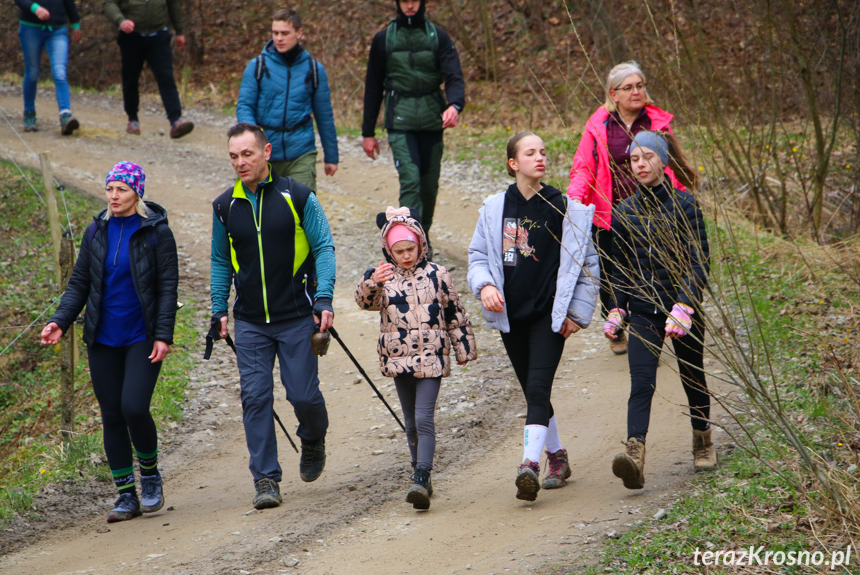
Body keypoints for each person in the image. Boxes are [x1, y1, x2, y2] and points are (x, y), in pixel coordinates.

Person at [41, 162, 178, 523]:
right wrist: (60, 320)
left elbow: (167, 288)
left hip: (141, 336)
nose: (113, 196)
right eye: (110, 189)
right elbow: (79, 283)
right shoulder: (96, 232)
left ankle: (149, 474)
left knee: (134, 406)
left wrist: (164, 334)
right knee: (112, 415)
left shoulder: (156, 233)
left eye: (121, 189)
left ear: (137, 193)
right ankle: (126, 495)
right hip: (102, 337)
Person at [210, 123, 336, 510]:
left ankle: (313, 436)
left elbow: (324, 247)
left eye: (246, 154)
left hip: (297, 314)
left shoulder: (297, 196)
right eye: (233, 156)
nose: (240, 162)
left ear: (266, 152)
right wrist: (218, 308)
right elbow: (219, 261)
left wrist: (324, 298)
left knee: (302, 395)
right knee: (255, 397)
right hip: (249, 321)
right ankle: (265, 478)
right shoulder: (224, 206)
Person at [468, 132, 599, 502]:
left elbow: (589, 263)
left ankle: (529, 465)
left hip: (549, 316)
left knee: (538, 389)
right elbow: (478, 257)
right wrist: (485, 287)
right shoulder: (496, 208)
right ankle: (557, 457)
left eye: (543, 152)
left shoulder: (564, 207)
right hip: (511, 314)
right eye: (531, 153)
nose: (540, 157)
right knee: (533, 392)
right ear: (513, 163)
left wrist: (577, 312)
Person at [603, 130, 714, 490]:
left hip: (683, 308)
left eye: (647, 157)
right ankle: (634, 454)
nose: (640, 164)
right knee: (641, 381)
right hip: (645, 310)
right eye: (634, 159)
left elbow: (699, 260)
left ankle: (702, 439)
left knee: (692, 375)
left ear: (663, 161)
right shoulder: (624, 212)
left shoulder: (686, 206)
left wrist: (685, 303)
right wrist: (618, 308)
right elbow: (619, 267)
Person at [355, 206, 477, 510]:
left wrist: (463, 348)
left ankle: (422, 476)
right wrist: (373, 283)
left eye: (410, 248)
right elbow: (364, 303)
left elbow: (455, 314)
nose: (406, 255)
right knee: (410, 422)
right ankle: (418, 475)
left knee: (424, 418)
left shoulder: (437, 274)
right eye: (399, 251)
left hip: (432, 357)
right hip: (399, 359)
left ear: (421, 244)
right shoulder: (383, 277)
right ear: (389, 251)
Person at [567, 61, 685, 355]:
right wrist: (573, 203)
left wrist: (680, 205)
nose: (636, 92)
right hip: (611, 214)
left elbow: (673, 167)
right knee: (612, 271)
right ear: (613, 93)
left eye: (640, 85)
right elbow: (583, 167)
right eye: (628, 87)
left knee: (652, 271)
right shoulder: (599, 125)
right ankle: (615, 323)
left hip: (654, 214)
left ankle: (650, 335)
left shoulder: (658, 123)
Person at [361, 0, 465, 260]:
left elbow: (453, 75)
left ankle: (422, 237)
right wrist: (368, 132)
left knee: (429, 187)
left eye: (414, 0)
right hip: (400, 121)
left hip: (432, 119)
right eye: (404, 0)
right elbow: (373, 85)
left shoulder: (437, 36)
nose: (409, 5)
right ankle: (409, 243)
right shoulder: (384, 38)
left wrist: (455, 105)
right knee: (411, 181)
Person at [236, 9, 338, 192]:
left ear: (299, 33)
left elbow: (324, 115)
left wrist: (331, 156)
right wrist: (253, 141)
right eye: (275, 33)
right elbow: (245, 105)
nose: (279, 38)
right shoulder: (257, 66)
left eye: (284, 33)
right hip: (265, 153)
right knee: (265, 214)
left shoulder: (314, 69)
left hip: (301, 152)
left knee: (302, 211)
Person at [103, 0, 194, 138]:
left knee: (166, 77)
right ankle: (132, 119)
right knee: (131, 78)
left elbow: (174, 4)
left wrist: (179, 31)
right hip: (131, 36)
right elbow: (109, 3)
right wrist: (120, 21)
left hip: (158, 35)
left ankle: (175, 121)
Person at [16, 0, 81, 135]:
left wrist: (75, 23)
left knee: (60, 72)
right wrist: (35, 8)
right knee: (32, 73)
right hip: (30, 28)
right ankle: (29, 113)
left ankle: (65, 116)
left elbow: (69, 3)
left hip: (57, 29)